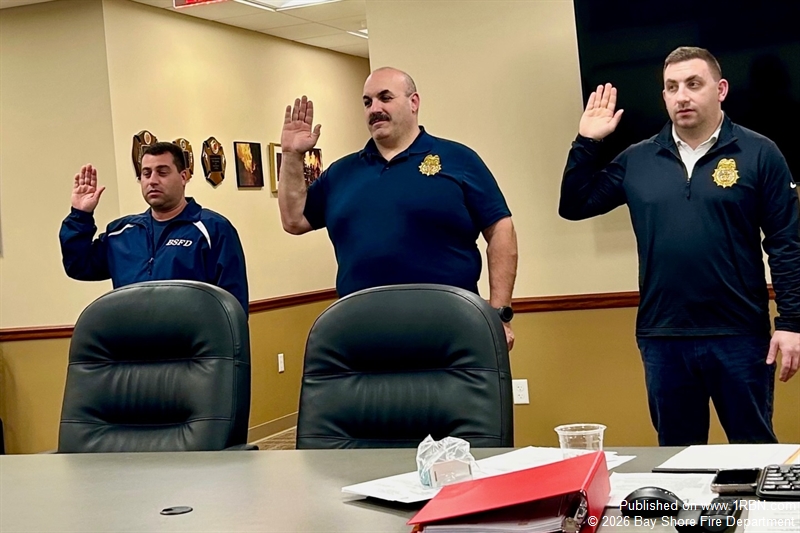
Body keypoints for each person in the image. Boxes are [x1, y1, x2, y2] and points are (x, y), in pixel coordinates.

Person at [560, 46, 800, 445]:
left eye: (693, 84)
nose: (682, 95)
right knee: (677, 456)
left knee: (753, 450)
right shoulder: (638, 158)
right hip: (663, 335)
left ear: (720, 89)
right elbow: (574, 204)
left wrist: (792, 322)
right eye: (672, 87)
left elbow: (786, 244)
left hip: (740, 332)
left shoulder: (761, 154)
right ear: (664, 98)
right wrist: (586, 142)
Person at [278, 67, 518, 349]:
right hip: (363, 331)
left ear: (413, 102)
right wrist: (292, 156)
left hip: (449, 329)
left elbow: (502, 229)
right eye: (367, 102)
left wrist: (500, 313)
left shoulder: (459, 160)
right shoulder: (341, 173)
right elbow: (294, 220)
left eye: (385, 98)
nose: (374, 109)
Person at [60, 141, 249, 314]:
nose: (153, 181)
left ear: (183, 177)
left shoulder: (213, 229)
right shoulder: (122, 232)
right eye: (146, 173)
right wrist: (80, 215)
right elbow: (78, 266)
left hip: (192, 348)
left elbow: (233, 306)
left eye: (162, 172)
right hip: (133, 346)